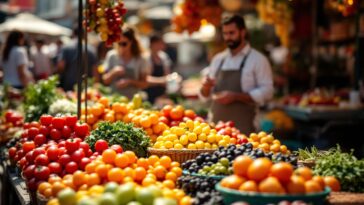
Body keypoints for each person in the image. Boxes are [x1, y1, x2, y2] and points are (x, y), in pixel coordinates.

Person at [200, 14, 274, 134]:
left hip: (244, 132)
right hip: (215, 133)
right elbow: (205, 96)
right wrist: (206, 87)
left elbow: (268, 91)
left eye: (232, 33)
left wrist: (236, 97)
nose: (228, 37)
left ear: (243, 32)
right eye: (225, 33)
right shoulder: (218, 59)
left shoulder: (258, 60)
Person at [102, 25, 150, 99]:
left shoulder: (141, 59)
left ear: (132, 42)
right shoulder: (111, 56)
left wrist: (130, 82)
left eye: (124, 44)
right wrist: (113, 72)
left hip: (133, 102)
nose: (121, 47)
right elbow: (105, 80)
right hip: (114, 100)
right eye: (119, 43)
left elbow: (145, 84)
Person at [144, 34, 172, 104]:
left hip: (161, 95)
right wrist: (162, 80)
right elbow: (145, 79)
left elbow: (167, 73)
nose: (163, 45)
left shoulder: (163, 57)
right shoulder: (146, 58)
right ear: (153, 44)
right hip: (149, 95)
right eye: (160, 43)